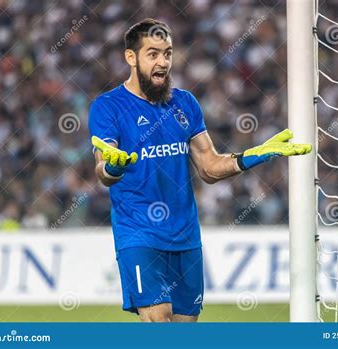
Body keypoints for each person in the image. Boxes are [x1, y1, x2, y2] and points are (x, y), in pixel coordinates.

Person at [88, 18, 311, 322]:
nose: (163, 62)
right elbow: (102, 171)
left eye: (167, 53)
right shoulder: (108, 106)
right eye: (153, 54)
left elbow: (208, 167)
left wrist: (253, 156)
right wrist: (113, 168)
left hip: (186, 236)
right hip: (138, 233)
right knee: (159, 322)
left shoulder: (185, 103)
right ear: (131, 57)